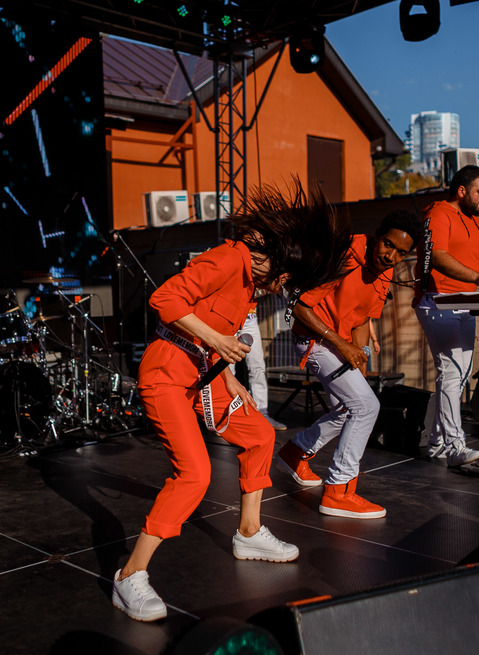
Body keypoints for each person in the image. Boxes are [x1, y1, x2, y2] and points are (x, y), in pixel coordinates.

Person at [111, 181, 352, 622]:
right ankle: (130, 575)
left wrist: (229, 377)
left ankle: (249, 531)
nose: (282, 288)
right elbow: (164, 299)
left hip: (205, 376)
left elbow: (217, 332)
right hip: (167, 375)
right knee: (194, 474)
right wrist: (219, 342)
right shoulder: (226, 260)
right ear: (276, 262)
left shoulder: (252, 282)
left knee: (260, 435)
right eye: (285, 279)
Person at [277, 209, 422, 519]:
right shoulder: (343, 256)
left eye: (401, 252)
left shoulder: (385, 271)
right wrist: (343, 345)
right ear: (377, 235)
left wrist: (360, 364)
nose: (391, 256)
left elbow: (361, 319)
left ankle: (295, 452)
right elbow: (300, 308)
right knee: (366, 407)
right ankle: (339, 491)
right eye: (388, 244)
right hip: (314, 340)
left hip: (338, 342)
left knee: (350, 407)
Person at [413, 165, 479, 468]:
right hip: (437, 302)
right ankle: (454, 446)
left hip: (466, 303)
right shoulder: (438, 213)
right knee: (451, 372)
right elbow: (437, 256)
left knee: (461, 373)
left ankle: (436, 442)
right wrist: (478, 278)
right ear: (462, 191)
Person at [239, 300, 287, 431]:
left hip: (249, 317)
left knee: (258, 367)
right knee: (227, 368)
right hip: (229, 314)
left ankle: (262, 414)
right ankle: (227, 416)